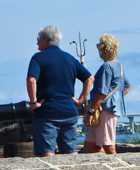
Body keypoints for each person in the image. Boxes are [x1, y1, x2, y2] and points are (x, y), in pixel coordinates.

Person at [27, 25, 93, 156]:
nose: (37, 42)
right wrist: (80, 100)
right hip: (69, 112)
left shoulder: (38, 58)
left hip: (47, 113)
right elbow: (90, 78)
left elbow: (31, 80)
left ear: (46, 40)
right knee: (71, 153)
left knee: (47, 154)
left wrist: (33, 103)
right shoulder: (70, 59)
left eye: (38, 39)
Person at [83, 34, 131, 154]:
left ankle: (118, 166)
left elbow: (102, 92)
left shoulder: (106, 66)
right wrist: (116, 99)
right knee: (90, 144)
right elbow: (127, 87)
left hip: (105, 109)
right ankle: (104, 162)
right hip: (112, 108)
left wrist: (91, 111)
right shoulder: (118, 65)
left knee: (108, 144)